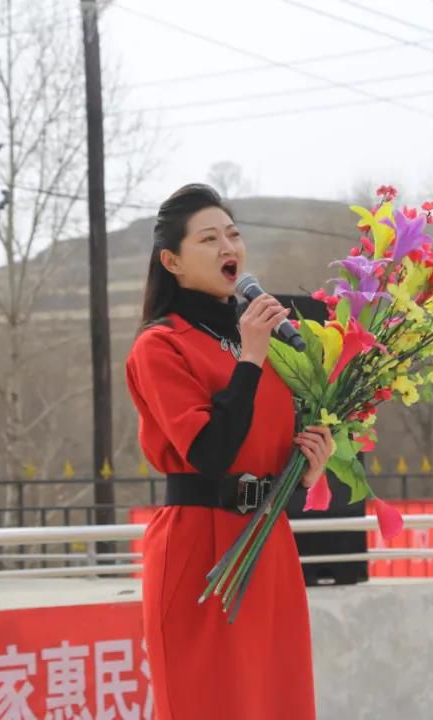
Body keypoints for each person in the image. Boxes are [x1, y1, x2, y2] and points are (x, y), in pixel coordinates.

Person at [125, 183, 332, 720]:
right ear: (171, 261)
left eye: (233, 234)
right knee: (209, 703)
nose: (228, 247)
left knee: (279, 703)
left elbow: (263, 447)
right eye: (209, 238)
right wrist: (251, 359)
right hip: (199, 551)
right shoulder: (160, 345)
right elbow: (210, 454)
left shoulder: (264, 340)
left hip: (267, 544)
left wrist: (305, 469)